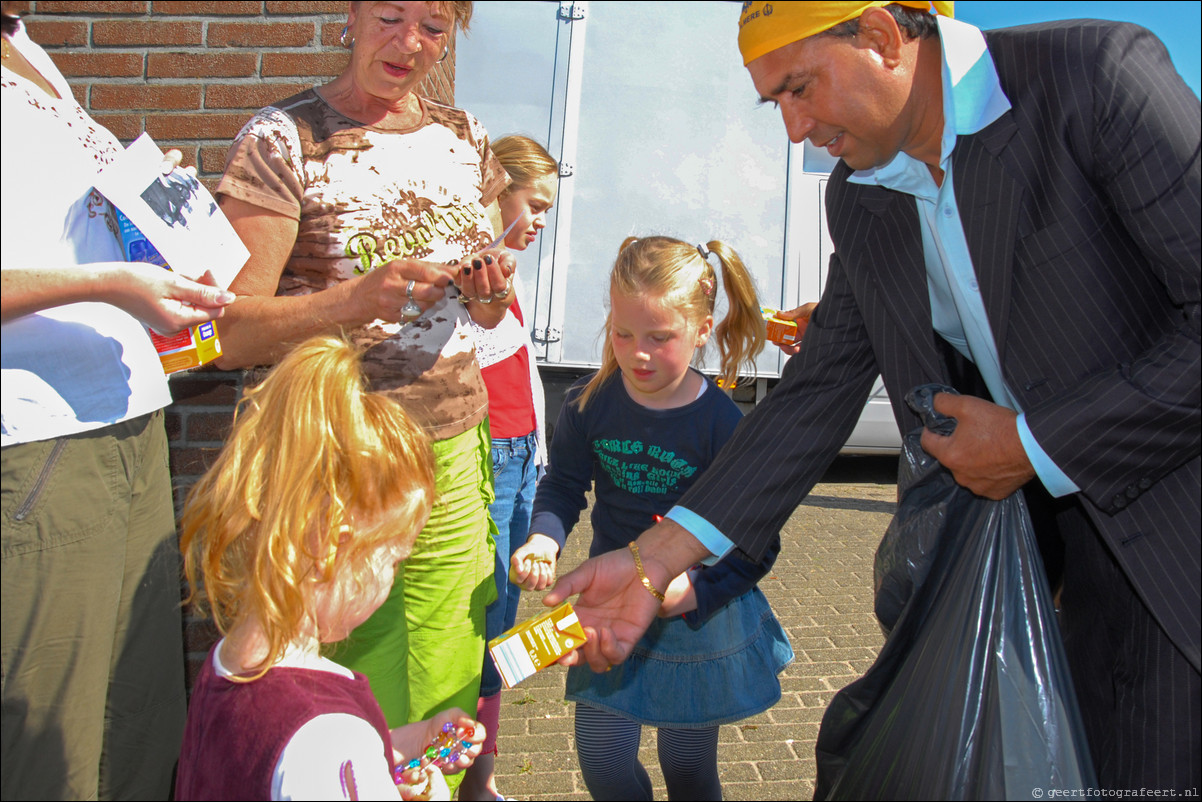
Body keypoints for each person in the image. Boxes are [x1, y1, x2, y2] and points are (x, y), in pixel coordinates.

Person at [546, 1, 1201, 794]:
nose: (793, 130)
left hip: (1172, 550)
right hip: (1030, 578)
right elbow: (817, 391)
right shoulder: (860, 197)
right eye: (774, 103)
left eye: (799, 88)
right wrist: (656, 558)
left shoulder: (1096, 78)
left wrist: (1035, 445)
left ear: (885, 38)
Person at [211, 4, 512, 782]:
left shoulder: (464, 136)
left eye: (435, 26)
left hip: (448, 448)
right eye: (391, 15)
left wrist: (487, 290)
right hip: (334, 458)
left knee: (447, 659)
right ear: (350, 16)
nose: (411, 43)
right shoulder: (284, 140)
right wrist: (351, 301)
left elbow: (483, 314)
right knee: (337, 675)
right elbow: (226, 333)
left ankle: (427, 789)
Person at [1, 11, 234, 800]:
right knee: (49, 744)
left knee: (138, 726)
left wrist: (133, 204)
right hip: (41, 439)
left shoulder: (26, 45)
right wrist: (107, 285)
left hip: (128, 421)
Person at [514, 236, 794, 800]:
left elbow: (758, 544)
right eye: (622, 333)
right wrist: (544, 537)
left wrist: (693, 589)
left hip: (694, 619)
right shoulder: (587, 404)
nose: (637, 354)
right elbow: (564, 485)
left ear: (702, 329)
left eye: (659, 338)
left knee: (688, 769)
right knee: (604, 764)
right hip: (607, 610)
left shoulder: (722, 425)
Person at [174, 335, 486, 801]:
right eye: (394, 559)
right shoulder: (328, 737)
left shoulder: (230, 665)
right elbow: (327, 755)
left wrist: (413, 741)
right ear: (331, 546)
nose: (394, 578)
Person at [459, 134, 557, 802]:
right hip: (491, 456)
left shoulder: (506, 274)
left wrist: (542, 457)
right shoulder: (475, 271)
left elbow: (525, 378)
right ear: (498, 193)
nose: (543, 220)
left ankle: (480, 777)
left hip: (521, 457)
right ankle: (466, 777)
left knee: (505, 618)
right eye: (537, 202)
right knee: (484, 621)